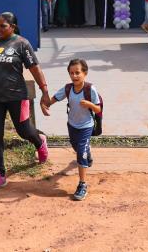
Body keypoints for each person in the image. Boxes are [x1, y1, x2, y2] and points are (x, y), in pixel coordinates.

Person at [0, 12, 51, 193]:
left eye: (3, 26)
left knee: (24, 131)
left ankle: (39, 141)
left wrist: (44, 91)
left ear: (13, 27)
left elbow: (35, 69)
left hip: (17, 96)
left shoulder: (22, 44)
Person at [44, 58, 101, 201]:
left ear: (85, 73)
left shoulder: (90, 89)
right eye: (71, 73)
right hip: (72, 125)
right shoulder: (68, 88)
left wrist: (89, 104)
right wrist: (45, 105)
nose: (74, 76)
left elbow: (98, 109)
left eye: (77, 72)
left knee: (80, 154)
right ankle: (87, 152)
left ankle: (82, 184)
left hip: (86, 126)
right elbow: (54, 99)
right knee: (77, 148)